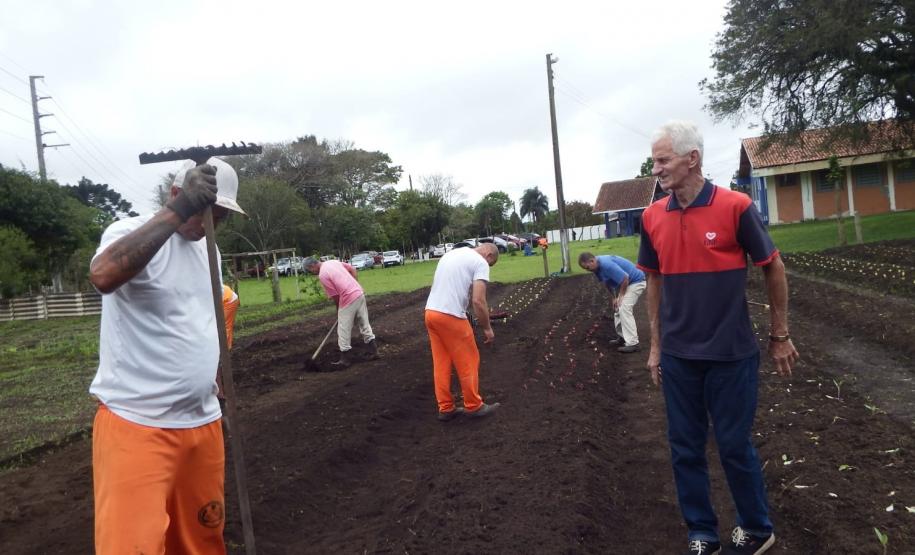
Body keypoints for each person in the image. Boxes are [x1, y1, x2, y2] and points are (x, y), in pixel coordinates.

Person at [638, 121, 799, 555]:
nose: (656, 168)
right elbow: (653, 281)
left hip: (731, 355)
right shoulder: (652, 216)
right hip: (679, 357)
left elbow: (773, 266)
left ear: (692, 159)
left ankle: (756, 528)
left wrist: (779, 334)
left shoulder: (735, 207)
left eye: (663, 159)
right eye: (655, 160)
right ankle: (702, 534)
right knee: (685, 449)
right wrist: (655, 346)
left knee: (732, 445)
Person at [88, 157, 246, 554]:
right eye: (206, 213)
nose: (212, 225)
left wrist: (213, 373)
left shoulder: (208, 251)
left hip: (201, 423)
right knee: (132, 546)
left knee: (201, 541)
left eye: (222, 217)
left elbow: (202, 315)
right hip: (138, 424)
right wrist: (178, 214)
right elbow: (103, 275)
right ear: (178, 195)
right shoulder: (127, 231)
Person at [425, 243, 501, 421]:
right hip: (450, 316)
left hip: (431, 313)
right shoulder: (480, 262)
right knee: (469, 359)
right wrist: (487, 328)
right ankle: (474, 406)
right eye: (491, 264)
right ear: (489, 255)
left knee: (441, 362)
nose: (488, 267)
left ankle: (445, 407)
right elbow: (478, 301)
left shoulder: (452, 254)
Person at [303, 256, 378, 367]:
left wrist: (339, 312)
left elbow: (336, 297)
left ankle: (345, 359)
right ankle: (373, 351)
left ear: (312, 266)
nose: (312, 273)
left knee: (343, 330)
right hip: (359, 293)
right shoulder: (333, 262)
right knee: (364, 323)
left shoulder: (323, 275)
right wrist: (354, 285)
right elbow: (352, 269)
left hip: (348, 299)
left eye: (310, 271)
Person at [578, 252, 646, 353]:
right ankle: (623, 337)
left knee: (624, 307)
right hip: (626, 283)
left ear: (592, 261)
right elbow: (606, 282)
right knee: (617, 308)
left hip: (636, 281)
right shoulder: (596, 268)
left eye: (587, 267)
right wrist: (614, 297)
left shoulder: (606, 265)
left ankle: (633, 343)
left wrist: (621, 296)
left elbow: (625, 278)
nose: (588, 270)